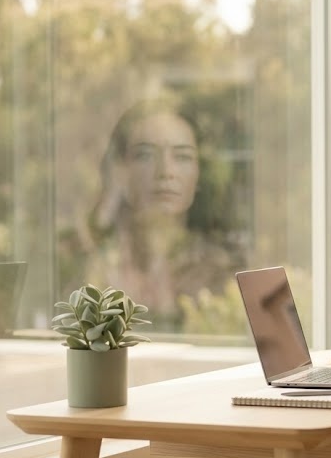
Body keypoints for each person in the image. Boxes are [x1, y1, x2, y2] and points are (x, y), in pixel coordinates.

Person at [84, 97, 242, 332]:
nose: (166, 172)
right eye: (146, 155)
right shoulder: (98, 271)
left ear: (199, 173)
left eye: (182, 157)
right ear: (120, 170)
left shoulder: (222, 275)